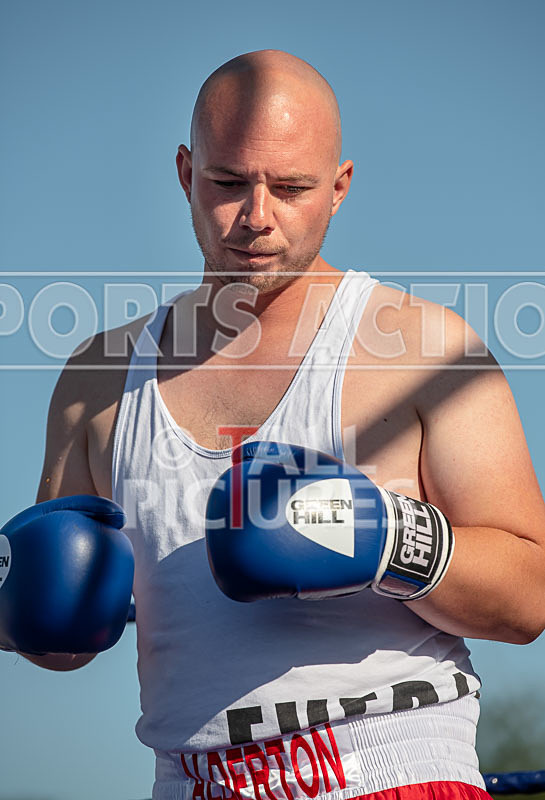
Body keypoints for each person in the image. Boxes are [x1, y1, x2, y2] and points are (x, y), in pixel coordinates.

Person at [5, 49, 545, 800]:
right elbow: (58, 634)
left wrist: (387, 539)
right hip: (187, 781)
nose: (257, 217)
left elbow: (528, 598)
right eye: (228, 183)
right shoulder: (97, 380)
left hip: (391, 770)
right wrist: (22, 605)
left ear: (339, 187)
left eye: (290, 188)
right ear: (185, 173)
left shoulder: (425, 350)